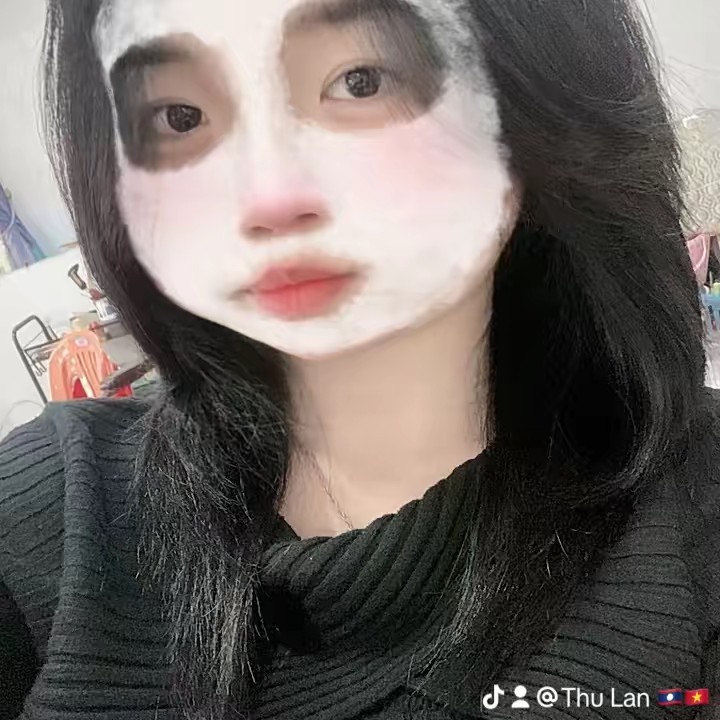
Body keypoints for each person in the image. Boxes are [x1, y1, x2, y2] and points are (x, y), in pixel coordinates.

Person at [1, 0, 718, 718]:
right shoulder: (48, 511)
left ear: (534, 97)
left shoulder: (693, 513)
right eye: (180, 116)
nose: (266, 197)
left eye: (361, 79)